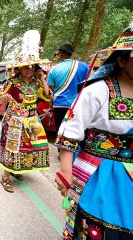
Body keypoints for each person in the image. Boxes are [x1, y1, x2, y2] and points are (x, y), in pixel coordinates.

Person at [55, 27, 133, 239]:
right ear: (121, 60)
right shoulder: (98, 91)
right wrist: (65, 172)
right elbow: (70, 131)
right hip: (99, 173)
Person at [0, 30, 51, 193]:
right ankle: (5, 177)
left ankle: (17, 169)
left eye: (32, 67)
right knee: (13, 147)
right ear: (19, 69)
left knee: (30, 147)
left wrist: (42, 78)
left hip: (32, 120)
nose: (28, 70)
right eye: (25, 68)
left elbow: (47, 97)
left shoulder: (37, 82)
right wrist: (3, 98)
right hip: (14, 120)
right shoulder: (12, 82)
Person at [47, 44, 89, 132]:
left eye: (56, 54)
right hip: (77, 104)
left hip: (59, 105)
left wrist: (51, 107)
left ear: (59, 54)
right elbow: (88, 84)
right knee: (75, 131)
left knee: (61, 131)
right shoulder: (84, 66)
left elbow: (51, 91)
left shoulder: (54, 70)